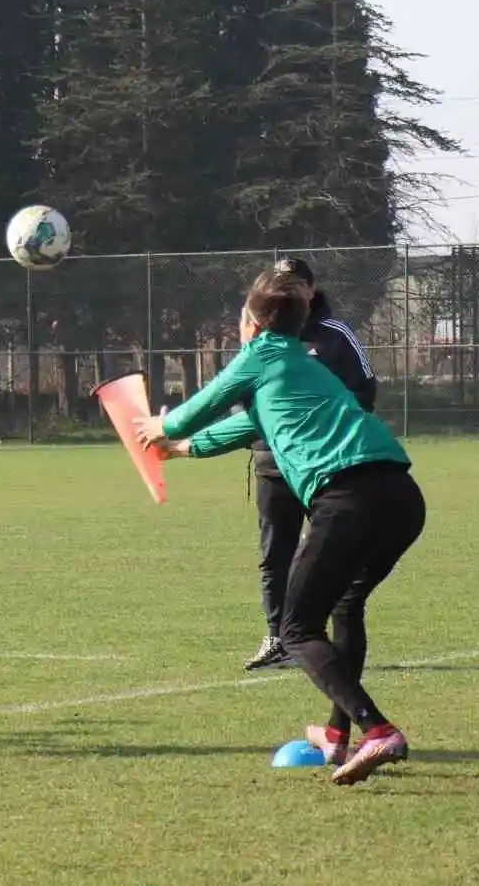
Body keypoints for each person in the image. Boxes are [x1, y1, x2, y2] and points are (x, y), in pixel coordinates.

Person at [135, 269, 424, 785]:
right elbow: (247, 425)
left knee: (294, 629)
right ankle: (338, 737)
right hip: (401, 497)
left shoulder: (260, 354)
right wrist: (181, 450)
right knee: (345, 606)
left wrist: (159, 428)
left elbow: (197, 410)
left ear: (250, 322)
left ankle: (375, 729)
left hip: (348, 498)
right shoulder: (301, 367)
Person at [244, 256, 378, 672]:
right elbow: (246, 392)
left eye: (297, 284)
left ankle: (324, 638)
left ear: (312, 288)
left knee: (331, 551)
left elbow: (365, 390)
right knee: (274, 554)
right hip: (271, 462)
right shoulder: (261, 336)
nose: (290, 291)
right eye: (282, 284)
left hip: (322, 464)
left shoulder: (335, 335)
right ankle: (277, 638)